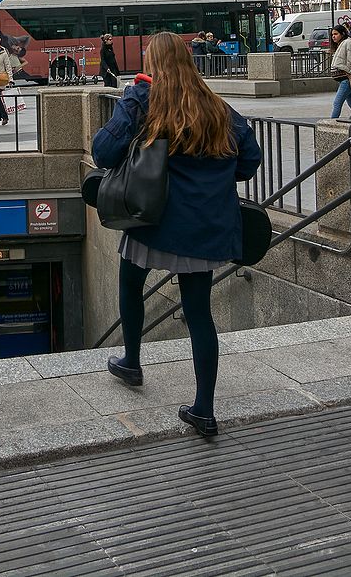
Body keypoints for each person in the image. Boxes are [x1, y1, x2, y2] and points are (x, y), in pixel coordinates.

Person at [92, 31, 263, 437]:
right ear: (188, 62)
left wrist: (134, 96)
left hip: (153, 219)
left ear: (152, 63)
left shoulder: (144, 100)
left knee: (130, 280)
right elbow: (249, 160)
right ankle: (204, 409)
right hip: (205, 226)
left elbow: (103, 151)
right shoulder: (217, 106)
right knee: (199, 313)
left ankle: (131, 361)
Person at [329, 25, 351, 118]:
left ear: (342, 34)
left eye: (336, 34)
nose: (333, 36)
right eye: (332, 34)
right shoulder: (341, 45)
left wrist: (350, 71)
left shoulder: (347, 43)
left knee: (337, 103)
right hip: (344, 79)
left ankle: (331, 124)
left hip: (347, 79)